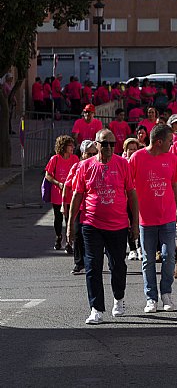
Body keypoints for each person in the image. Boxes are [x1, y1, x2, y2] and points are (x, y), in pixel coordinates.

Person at [67, 129, 139, 324]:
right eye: (104, 143)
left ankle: (119, 298)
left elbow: (131, 194)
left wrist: (135, 224)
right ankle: (96, 308)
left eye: (111, 144)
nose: (108, 147)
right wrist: (70, 225)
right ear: (96, 144)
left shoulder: (123, 164)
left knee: (118, 265)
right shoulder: (85, 166)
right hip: (91, 223)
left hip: (118, 224)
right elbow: (77, 195)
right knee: (92, 266)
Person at [129, 125, 177, 313]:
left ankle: (166, 293)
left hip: (167, 216)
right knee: (148, 260)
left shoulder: (171, 158)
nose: (172, 144)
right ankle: (151, 298)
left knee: (168, 256)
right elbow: (129, 187)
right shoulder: (137, 158)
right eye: (169, 141)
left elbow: (174, 184)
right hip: (146, 219)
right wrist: (132, 217)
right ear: (159, 142)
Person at [63, 140, 98, 275]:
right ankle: (79, 263)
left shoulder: (98, 165)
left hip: (92, 208)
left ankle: (92, 262)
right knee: (77, 235)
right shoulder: (77, 167)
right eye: (88, 154)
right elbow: (67, 185)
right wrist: (63, 204)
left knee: (92, 237)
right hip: (79, 206)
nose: (90, 157)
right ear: (82, 154)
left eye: (93, 154)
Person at [45, 135, 79, 253]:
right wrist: (58, 183)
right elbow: (48, 175)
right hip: (58, 194)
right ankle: (58, 237)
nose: (73, 147)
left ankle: (69, 242)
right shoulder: (55, 159)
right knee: (58, 218)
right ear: (63, 147)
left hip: (71, 194)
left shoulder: (75, 159)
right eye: (70, 145)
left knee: (70, 218)